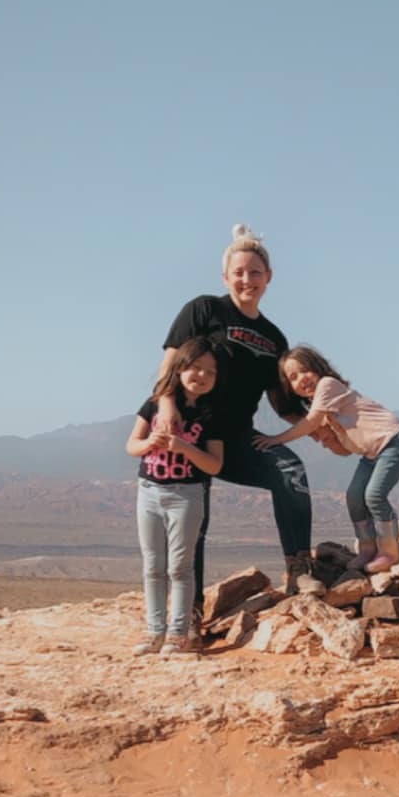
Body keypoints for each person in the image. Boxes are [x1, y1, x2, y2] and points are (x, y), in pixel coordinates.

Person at [160, 224, 312, 607]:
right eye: (239, 272)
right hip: (190, 433)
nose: (247, 280)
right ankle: (188, 613)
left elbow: (285, 404)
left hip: (239, 440)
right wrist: (166, 408)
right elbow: (169, 365)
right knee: (195, 523)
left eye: (255, 272)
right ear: (226, 276)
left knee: (290, 471)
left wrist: (331, 430)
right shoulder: (204, 309)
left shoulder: (274, 337)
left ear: (269, 278)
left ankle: (300, 572)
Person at [273, 346, 399, 572]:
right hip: (372, 454)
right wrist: (329, 439)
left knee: (374, 495)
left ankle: (389, 552)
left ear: (318, 368)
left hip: (395, 442)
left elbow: (310, 422)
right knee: (354, 497)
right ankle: (368, 549)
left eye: (305, 370)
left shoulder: (327, 385)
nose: (302, 379)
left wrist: (277, 439)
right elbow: (345, 451)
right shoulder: (323, 409)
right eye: (293, 377)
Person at [126, 338, 224, 653]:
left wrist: (183, 447)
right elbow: (132, 446)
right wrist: (150, 443)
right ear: (180, 368)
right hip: (149, 492)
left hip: (187, 496)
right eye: (195, 368)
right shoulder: (155, 404)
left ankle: (177, 633)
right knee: (153, 565)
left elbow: (214, 464)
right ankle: (154, 631)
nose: (202, 376)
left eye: (210, 371)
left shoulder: (212, 414)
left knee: (180, 567)